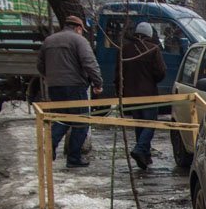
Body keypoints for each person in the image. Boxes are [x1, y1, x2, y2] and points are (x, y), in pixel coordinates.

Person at [37, 15, 103, 167]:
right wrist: (97, 83)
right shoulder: (79, 40)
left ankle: (49, 147)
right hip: (75, 86)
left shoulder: (49, 40)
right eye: (82, 30)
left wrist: (50, 77)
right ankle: (73, 158)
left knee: (62, 118)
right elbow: (89, 63)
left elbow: (40, 65)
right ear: (78, 28)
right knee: (81, 122)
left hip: (54, 87)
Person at [114, 22, 167, 170]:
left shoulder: (124, 49)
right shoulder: (152, 49)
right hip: (148, 93)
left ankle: (144, 156)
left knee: (139, 123)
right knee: (150, 123)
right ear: (149, 34)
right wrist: (153, 80)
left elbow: (118, 73)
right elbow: (161, 72)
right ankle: (140, 149)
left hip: (131, 95)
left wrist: (119, 91)